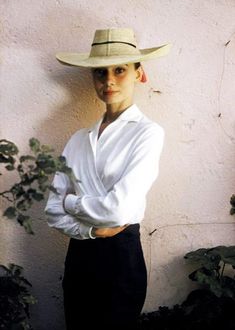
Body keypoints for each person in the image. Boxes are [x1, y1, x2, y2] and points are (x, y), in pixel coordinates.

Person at [44, 27, 171, 330]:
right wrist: (89, 232)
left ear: (140, 74)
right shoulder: (77, 140)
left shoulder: (148, 133)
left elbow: (119, 210)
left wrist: (72, 202)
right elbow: (51, 209)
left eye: (119, 70)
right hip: (79, 254)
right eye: (100, 72)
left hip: (121, 257)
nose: (109, 80)